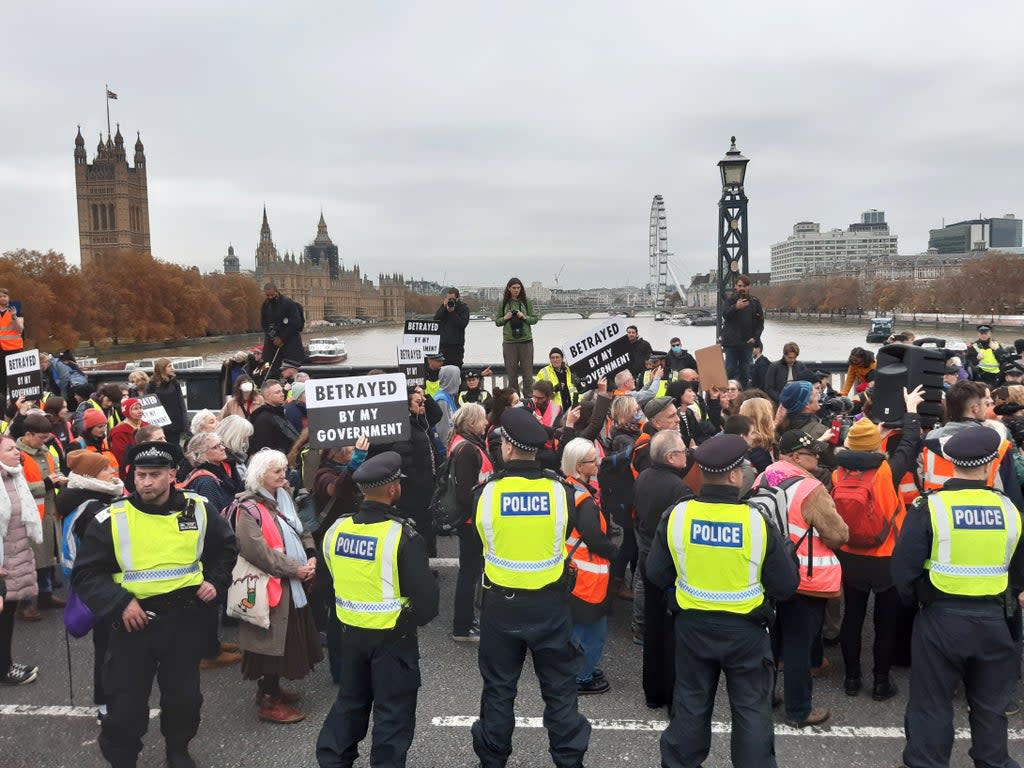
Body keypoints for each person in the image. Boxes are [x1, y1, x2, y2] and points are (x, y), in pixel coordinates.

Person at [71, 441, 237, 768]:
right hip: (132, 623)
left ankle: (178, 751)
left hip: (184, 620)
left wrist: (215, 582)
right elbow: (87, 573)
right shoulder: (111, 518)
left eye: (155, 475)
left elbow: (226, 548)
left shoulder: (198, 508)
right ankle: (123, 759)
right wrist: (120, 604)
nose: (146, 482)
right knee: (125, 706)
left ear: (173, 475)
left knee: (184, 699)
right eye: (141, 475)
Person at [647, 433, 799, 768]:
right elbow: (786, 586)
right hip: (746, 632)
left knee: (690, 705)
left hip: (692, 628)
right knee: (751, 711)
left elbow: (655, 574)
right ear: (733, 476)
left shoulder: (678, 515)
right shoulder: (757, 521)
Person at [893, 426, 1024, 768]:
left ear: (950, 463)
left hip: (941, 618)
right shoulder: (1009, 510)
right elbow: (1019, 570)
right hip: (996, 619)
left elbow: (903, 570)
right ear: (989, 465)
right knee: (990, 705)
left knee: (932, 703)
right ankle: (993, 760)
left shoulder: (929, 508)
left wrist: (918, 602)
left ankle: (928, 761)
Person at [471, 408, 591, 768]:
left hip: (501, 605)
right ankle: (569, 760)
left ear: (507, 448)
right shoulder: (560, 491)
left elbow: (481, 539)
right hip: (549, 606)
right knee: (559, 690)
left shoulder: (486, 493)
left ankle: (493, 761)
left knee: (498, 690)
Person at [315, 452, 439, 768]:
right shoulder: (402, 535)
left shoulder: (336, 530)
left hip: (349, 635)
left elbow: (327, 587)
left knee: (350, 703)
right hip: (392, 640)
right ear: (393, 489)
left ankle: (332, 760)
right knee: (393, 714)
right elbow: (427, 603)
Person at [832, 387, 923, 701]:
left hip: (850, 556)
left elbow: (854, 444)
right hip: (886, 557)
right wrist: (911, 409)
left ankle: (852, 679)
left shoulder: (837, 473)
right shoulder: (887, 472)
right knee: (885, 622)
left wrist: (870, 430)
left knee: (853, 618)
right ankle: (881, 682)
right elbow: (910, 443)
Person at [757, 430, 849, 727]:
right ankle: (798, 710)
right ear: (796, 456)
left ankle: (765, 695)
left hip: (771, 572)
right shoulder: (811, 488)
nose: (818, 458)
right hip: (806, 578)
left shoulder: (765, 477)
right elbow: (837, 535)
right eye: (812, 454)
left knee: (772, 639)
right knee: (799, 645)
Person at [233, 449, 322, 724]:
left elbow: (301, 528)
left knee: (280, 643)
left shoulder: (282, 496)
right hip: (272, 586)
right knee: (271, 647)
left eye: (283, 469)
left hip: (289, 582)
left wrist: (310, 554)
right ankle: (269, 702)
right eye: (277, 472)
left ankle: (269, 692)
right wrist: (295, 569)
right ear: (261, 476)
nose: (284, 475)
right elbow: (258, 552)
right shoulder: (247, 508)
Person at [56, 449, 125, 715]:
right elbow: (106, 549)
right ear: (90, 476)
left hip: (90, 582)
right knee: (108, 646)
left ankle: (107, 698)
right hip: (102, 583)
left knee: (106, 644)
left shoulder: (82, 498)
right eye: (106, 469)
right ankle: (106, 703)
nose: (113, 472)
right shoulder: (94, 506)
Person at [634, 430, 691, 709]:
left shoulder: (644, 476)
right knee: (670, 631)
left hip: (646, 557)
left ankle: (652, 690)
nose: (687, 454)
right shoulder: (679, 489)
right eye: (683, 451)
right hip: (668, 564)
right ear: (671, 457)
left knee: (653, 628)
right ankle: (669, 690)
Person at [557, 438, 617, 695]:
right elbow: (595, 539)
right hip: (589, 576)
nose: (598, 463)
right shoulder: (585, 501)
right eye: (593, 460)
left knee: (578, 627)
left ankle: (577, 670)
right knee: (592, 631)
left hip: (573, 572)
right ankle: (581, 677)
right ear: (580, 466)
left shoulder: (566, 488)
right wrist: (617, 553)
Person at [378, 387, 441, 557]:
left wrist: (425, 395)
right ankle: (420, 562)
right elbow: (404, 461)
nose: (422, 406)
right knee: (418, 528)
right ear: (407, 406)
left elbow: (437, 414)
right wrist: (421, 483)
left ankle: (429, 559)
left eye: (423, 403)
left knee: (428, 527)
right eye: (418, 403)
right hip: (416, 491)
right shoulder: (405, 428)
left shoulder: (422, 422)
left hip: (428, 486)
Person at [448, 404, 492, 643]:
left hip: (471, 518)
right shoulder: (466, 449)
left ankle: (464, 623)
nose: (486, 423)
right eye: (483, 419)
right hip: (470, 520)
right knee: (469, 572)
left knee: (470, 570)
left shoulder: (464, 443)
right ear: (472, 423)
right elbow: (465, 493)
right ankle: (462, 627)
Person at [0, 433, 41, 684]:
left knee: (7, 616)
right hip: (3, 564)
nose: (18, 453)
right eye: (10, 450)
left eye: (16, 448)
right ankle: (4, 669)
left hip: (17, 557)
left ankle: (6, 663)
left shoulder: (15, 476)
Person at [17, 413, 65, 619]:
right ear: (28, 434)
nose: (46, 441)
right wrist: (46, 484)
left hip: (48, 512)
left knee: (47, 558)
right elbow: (16, 488)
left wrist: (59, 480)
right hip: (27, 517)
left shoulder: (45, 452)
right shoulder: (17, 455)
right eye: (41, 437)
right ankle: (25, 603)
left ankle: (45, 594)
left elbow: (56, 472)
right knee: (28, 562)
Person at [495, 277, 538, 394]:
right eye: (514, 288)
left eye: (518, 288)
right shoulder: (503, 303)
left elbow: (535, 319)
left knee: (528, 375)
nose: (516, 290)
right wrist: (505, 318)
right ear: (509, 288)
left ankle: (529, 399)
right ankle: (514, 400)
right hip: (509, 343)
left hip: (526, 342)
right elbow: (497, 322)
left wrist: (524, 317)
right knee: (511, 375)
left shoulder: (526, 302)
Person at [720, 275, 765, 387]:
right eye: (740, 286)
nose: (742, 288)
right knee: (730, 369)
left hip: (747, 343)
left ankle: (744, 395)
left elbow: (760, 323)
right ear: (736, 286)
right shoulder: (729, 301)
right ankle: (728, 394)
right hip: (731, 343)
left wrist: (755, 338)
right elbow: (725, 315)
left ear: (748, 287)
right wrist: (736, 307)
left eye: (744, 286)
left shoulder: (755, 302)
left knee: (746, 371)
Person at [260, 283, 305, 382]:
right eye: (267, 296)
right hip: (273, 342)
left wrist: (282, 338)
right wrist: (273, 337)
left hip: (289, 343)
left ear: (277, 292)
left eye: (272, 295)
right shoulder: (265, 305)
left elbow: (296, 324)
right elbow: (264, 324)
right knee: (269, 367)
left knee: (290, 371)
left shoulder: (288, 303)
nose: (270, 297)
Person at [248, 379, 301, 457]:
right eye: (277, 392)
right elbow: (263, 449)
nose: (282, 394)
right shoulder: (263, 419)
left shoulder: (277, 413)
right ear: (267, 396)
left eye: (281, 391)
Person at [145, 359, 189, 447]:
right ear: (162, 369)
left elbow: (181, 404)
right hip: (160, 425)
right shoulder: (151, 385)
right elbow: (148, 406)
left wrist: (185, 423)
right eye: (169, 366)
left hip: (175, 424)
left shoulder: (174, 382)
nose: (172, 368)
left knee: (175, 447)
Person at [433, 287, 470, 368]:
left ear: (457, 298)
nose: (450, 301)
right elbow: (436, 319)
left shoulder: (463, 308)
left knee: (456, 370)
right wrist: (443, 307)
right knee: (442, 370)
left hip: (456, 346)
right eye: (448, 298)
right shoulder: (444, 307)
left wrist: (452, 312)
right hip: (443, 345)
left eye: (452, 299)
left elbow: (462, 324)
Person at [109, 397, 144, 479]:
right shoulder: (119, 431)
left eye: (140, 408)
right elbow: (121, 456)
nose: (140, 411)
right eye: (135, 409)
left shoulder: (146, 426)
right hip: (129, 471)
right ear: (127, 411)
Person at [0, 290, 24, 398]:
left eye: (4, 296)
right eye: (0, 297)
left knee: (16, 379)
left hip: (14, 349)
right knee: (2, 380)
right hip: (1, 350)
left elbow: (20, 330)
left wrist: (14, 317)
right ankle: (3, 406)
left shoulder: (15, 309)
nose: (2, 298)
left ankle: (18, 404)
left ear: (9, 297)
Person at [433, 364, 461, 443]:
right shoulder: (441, 400)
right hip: (446, 448)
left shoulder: (449, 397)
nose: (459, 380)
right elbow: (443, 430)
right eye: (457, 377)